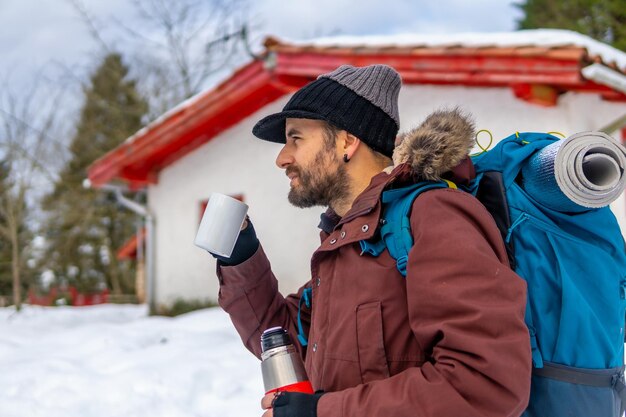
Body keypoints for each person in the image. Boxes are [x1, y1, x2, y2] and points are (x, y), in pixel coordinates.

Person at [213, 64, 531, 417]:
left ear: (348, 141)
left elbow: (485, 383)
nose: (282, 158)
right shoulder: (346, 242)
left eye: (296, 138)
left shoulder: (433, 216)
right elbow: (282, 338)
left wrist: (324, 412)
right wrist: (241, 258)